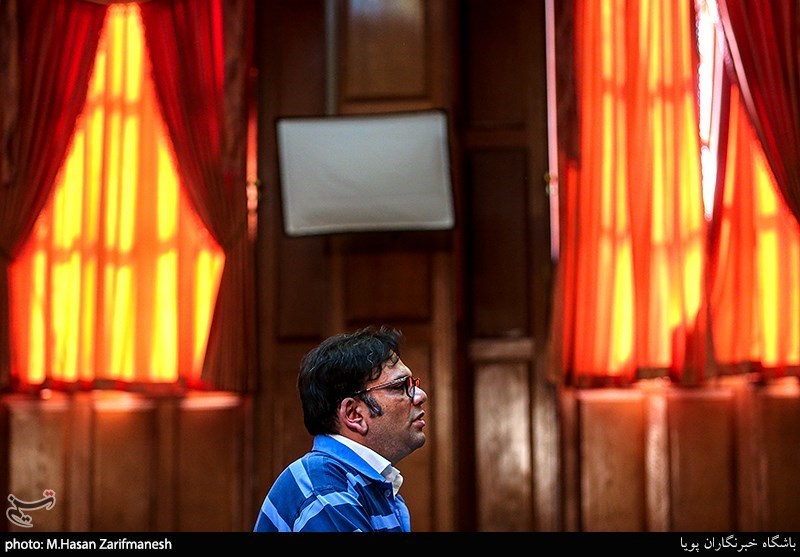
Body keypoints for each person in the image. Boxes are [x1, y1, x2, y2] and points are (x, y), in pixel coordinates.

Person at [253, 325, 428, 532]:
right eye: (399, 386)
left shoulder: (366, 484)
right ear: (354, 414)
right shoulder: (324, 489)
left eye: (412, 384)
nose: (420, 395)